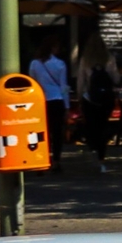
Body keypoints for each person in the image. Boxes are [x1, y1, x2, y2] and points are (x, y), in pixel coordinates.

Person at [32, 41, 70, 169]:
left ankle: (42, 157)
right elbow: (63, 86)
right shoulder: (60, 64)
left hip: (41, 101)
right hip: (57, 99)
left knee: (42, 131)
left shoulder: (35, 64)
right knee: (57, 132)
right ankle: (57, 160)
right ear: (53, 47)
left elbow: (33, 83)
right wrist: (67, 105)